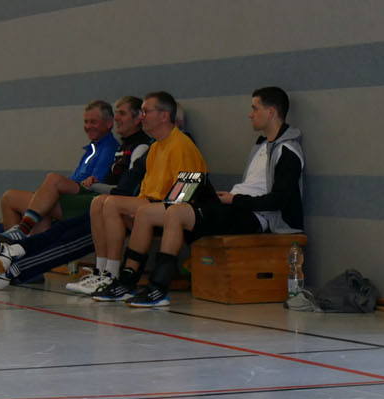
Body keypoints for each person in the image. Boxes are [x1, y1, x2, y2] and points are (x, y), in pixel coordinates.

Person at [111, 87, 304, 307]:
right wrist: (227, 198)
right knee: (145, 212)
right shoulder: (262, 146)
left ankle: (158, 287)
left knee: (175, 211)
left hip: (255, 216)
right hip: (235, 205)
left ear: (271, 112)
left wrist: (234, 200)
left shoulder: (287, 151)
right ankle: (127, 280)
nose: (250, 114)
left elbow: (278, 201)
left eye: (255, 108)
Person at [0, 98, 150, 288]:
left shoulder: (126, 148)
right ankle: (6, 254)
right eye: (86, 122)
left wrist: (93, 186)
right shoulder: (116, 148)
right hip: (100, 203)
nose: (117, 118)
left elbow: (123, 190)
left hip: (106, 205)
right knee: (44, 215)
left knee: (53, 208)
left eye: (122, 114)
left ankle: (11, 256)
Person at [84, 91, 206, 299]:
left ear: (164, 116)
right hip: (152, 203)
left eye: (146, 112)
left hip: (179, 208)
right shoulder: (156, 147)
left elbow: (183, 196)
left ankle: (115, 274)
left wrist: (144, 209)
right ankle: (105, 271)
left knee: (115, 204)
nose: (142, 117)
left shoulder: (182, 145)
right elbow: (146, 192)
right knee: (100, 202)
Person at [0, 100, 120, 239]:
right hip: (71, 198)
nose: (88, 126)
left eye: (93, 122)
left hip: (86, 203)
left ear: (109, 123)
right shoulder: (92, 149)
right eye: (86, 122)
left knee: (47, 184)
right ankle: (14, 244)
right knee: (11, 198)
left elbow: (93, 185)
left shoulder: (109, 149)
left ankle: (19, 234)